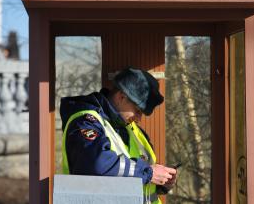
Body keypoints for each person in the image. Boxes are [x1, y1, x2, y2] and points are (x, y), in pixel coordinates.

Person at [60, 67, 177, 204]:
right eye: (137, 111)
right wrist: (148, 173)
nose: (139, 118)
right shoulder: (85, 122)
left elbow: (128, 176)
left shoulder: (131, 129)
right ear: (121, 97)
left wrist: (160, 182)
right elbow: (96, 164)